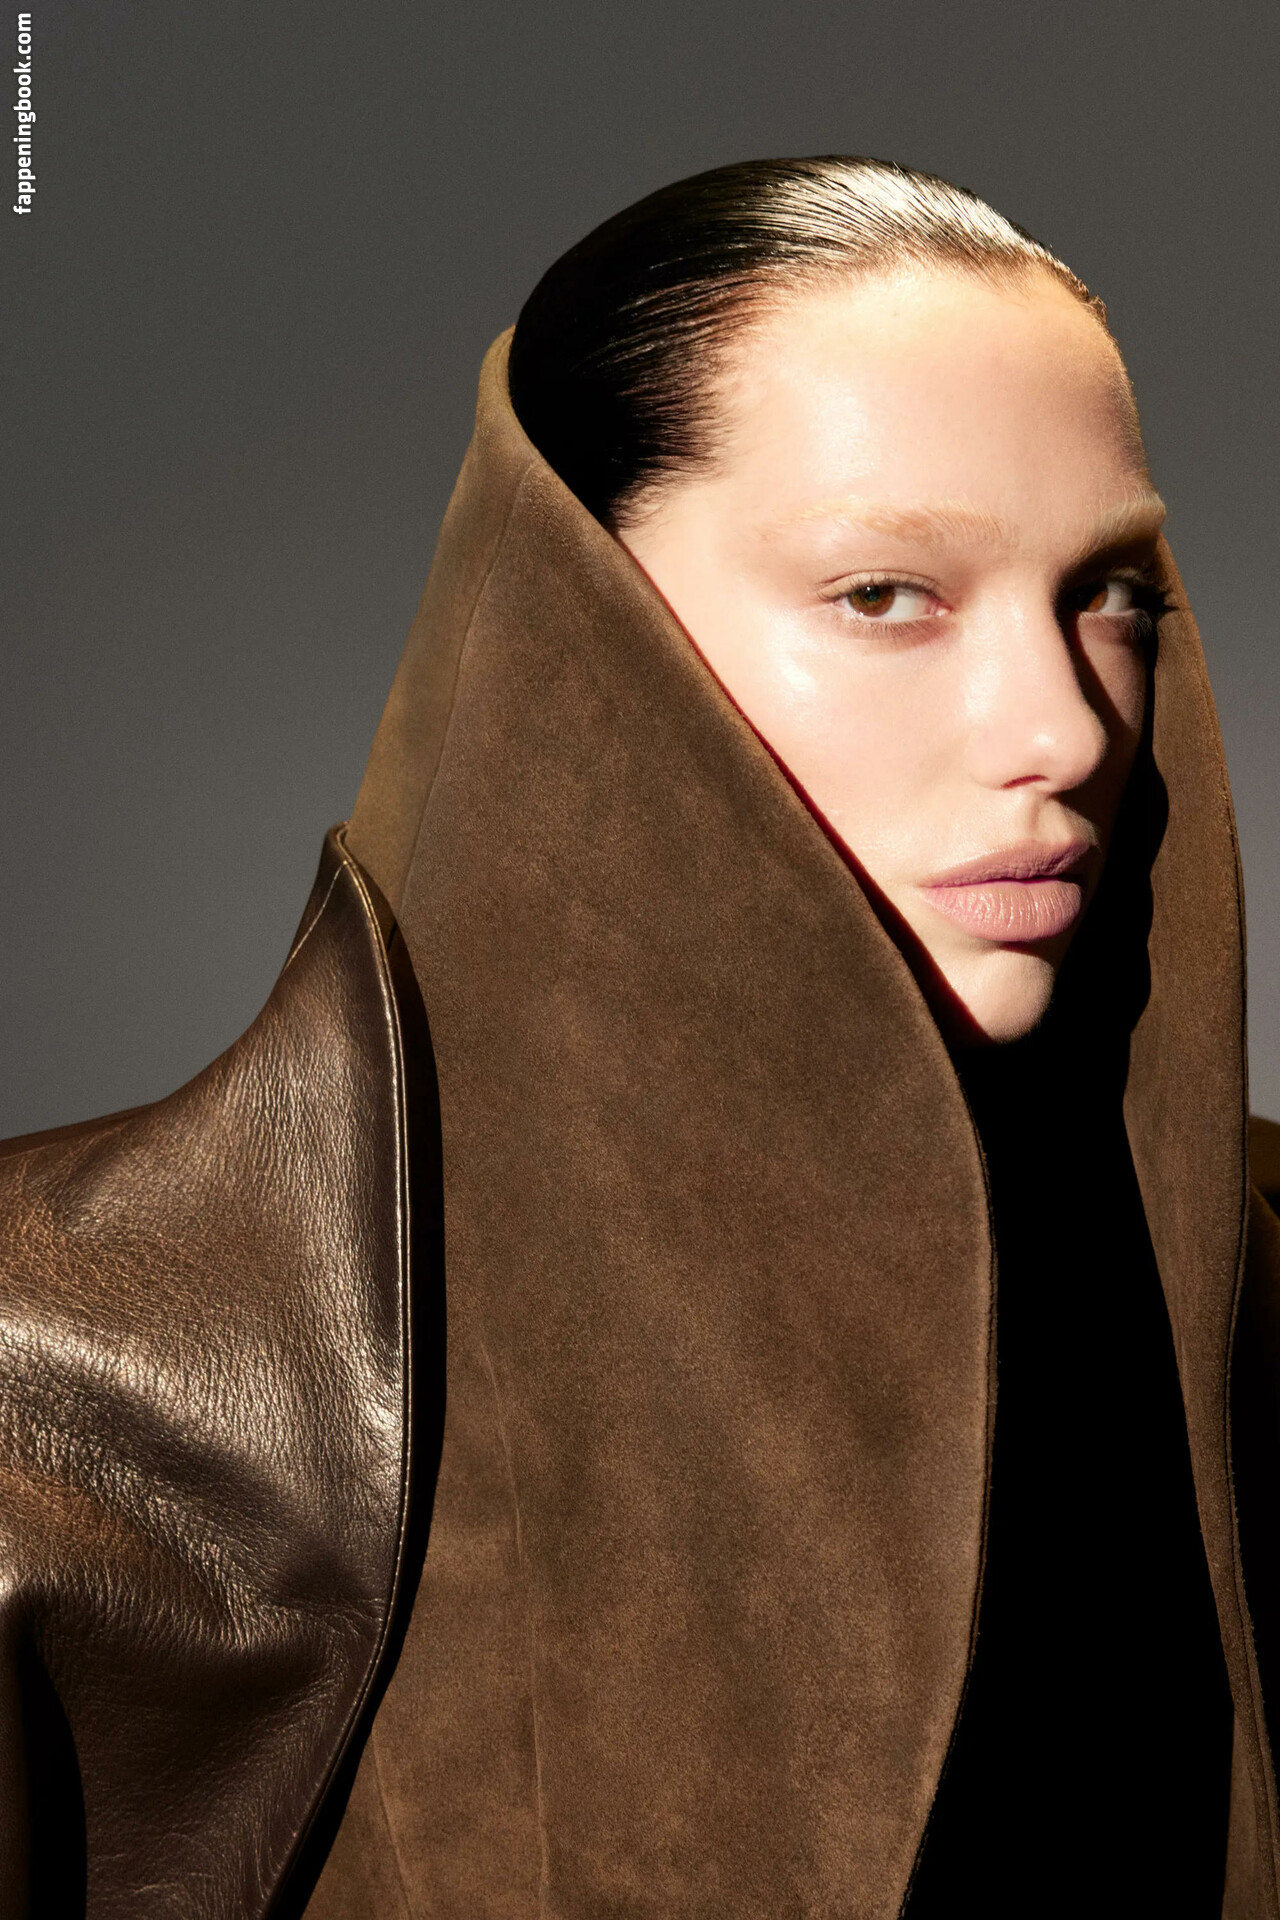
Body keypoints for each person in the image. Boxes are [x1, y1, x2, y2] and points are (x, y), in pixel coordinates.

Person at [1, 156, 1277, 1919]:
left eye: (1111, 592)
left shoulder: (1251, 1291)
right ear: (572, 628)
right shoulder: (61, 1375)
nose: (1060, 726)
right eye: (886, 596)